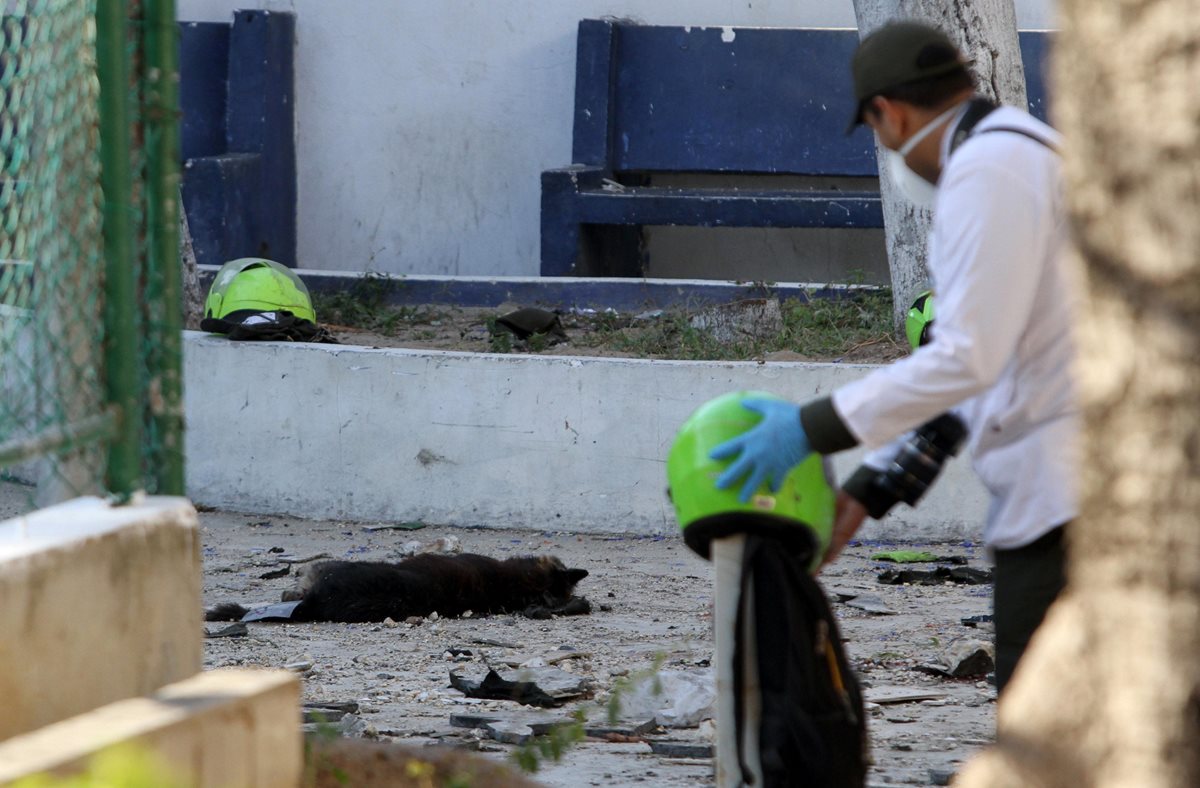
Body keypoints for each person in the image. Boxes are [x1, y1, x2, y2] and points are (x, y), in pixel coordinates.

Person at [709, 20, 1079, 694]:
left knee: (1047, 723)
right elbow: (977, 361)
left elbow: (968, 358)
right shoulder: (1023, 152)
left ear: (889, 112)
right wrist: (872, 486)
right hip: (1077, 481)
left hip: (1072, 498)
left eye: (878, 131)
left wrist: (810, 427)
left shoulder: (987, 173)